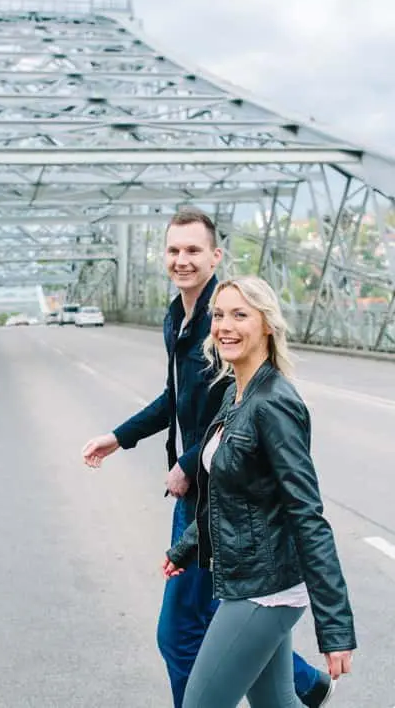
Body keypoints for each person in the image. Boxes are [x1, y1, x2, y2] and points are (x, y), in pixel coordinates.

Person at [80, 208, 333, 707]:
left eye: (193, 250)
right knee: (240, 617)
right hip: (205, 499)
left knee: (180, 634)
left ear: (215, 256)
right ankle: (306, 684)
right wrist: (119, 436)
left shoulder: (223, 323)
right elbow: (174, 397)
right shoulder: (178, 316)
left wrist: (187, 464)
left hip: (218, 498)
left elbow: (237, 413)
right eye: (173, 250)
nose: (182, 260)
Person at [162, 276, 355, 707]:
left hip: (264, 590)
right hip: (249, 578)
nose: (225, 325)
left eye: (240, 314)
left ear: (266, 324)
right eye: (219, 314)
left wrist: (335, 629)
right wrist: (187, 547)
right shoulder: (237, 392)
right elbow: (230, 493)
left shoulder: (274, 403)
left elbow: (307, 516)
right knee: (277, 703)